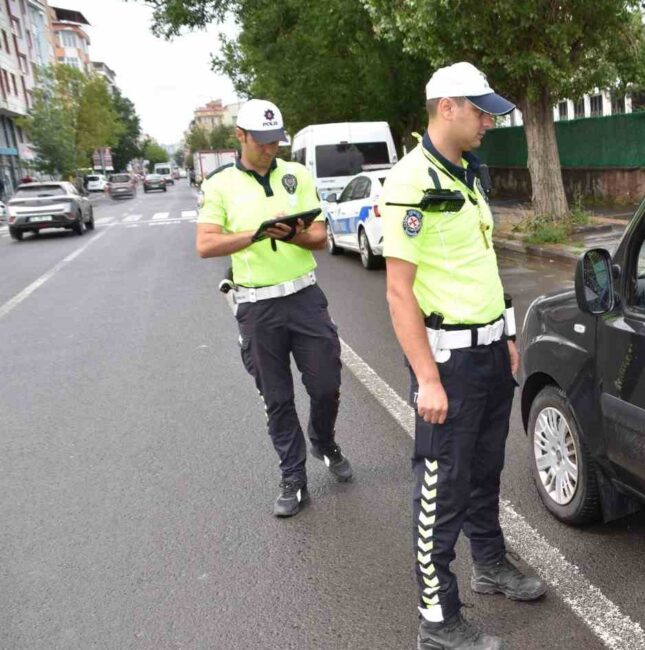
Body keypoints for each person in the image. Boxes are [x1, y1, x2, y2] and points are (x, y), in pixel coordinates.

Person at [381, 62, 547, 650]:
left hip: (485, 354)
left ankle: (491, 565)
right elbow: (399, 290)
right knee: (441, 486)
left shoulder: (467, 175)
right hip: (446, 362)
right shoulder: (409, 182)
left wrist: (504, 332)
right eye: (480, 110)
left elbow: (481, 266)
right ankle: (437, 618)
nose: (489, 121)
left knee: (484, 471)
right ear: (445, 106)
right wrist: (426, 377)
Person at [195, 98, 351, 517]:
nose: (270, 149)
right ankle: (293, 478)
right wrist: (257, 235)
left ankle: (323, 439)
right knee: (277, 399)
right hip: (257, 307)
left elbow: (319, 236)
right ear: (240, 137)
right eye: (261, 141)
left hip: (304, 298)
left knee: (326, 385)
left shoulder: (296, 174)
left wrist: (291, 235)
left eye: (275, 141)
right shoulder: (219, 184)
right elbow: (206, 244)